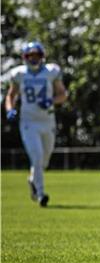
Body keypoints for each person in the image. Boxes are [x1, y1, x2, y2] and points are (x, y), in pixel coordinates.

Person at [4, 41, 68, 207]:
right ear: (25, 57)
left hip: (47, 121)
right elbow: (11, 96)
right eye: (30, 56)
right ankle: (40, 194)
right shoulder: (18, 74)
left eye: (36, 55)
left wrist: (51, 101)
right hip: (29, 121)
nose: (33, 59)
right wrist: (10, 109)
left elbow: (62, 94)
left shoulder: (51, 72)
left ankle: (33, 179)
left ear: (42, 56)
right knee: (37, 157)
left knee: (44, 161)